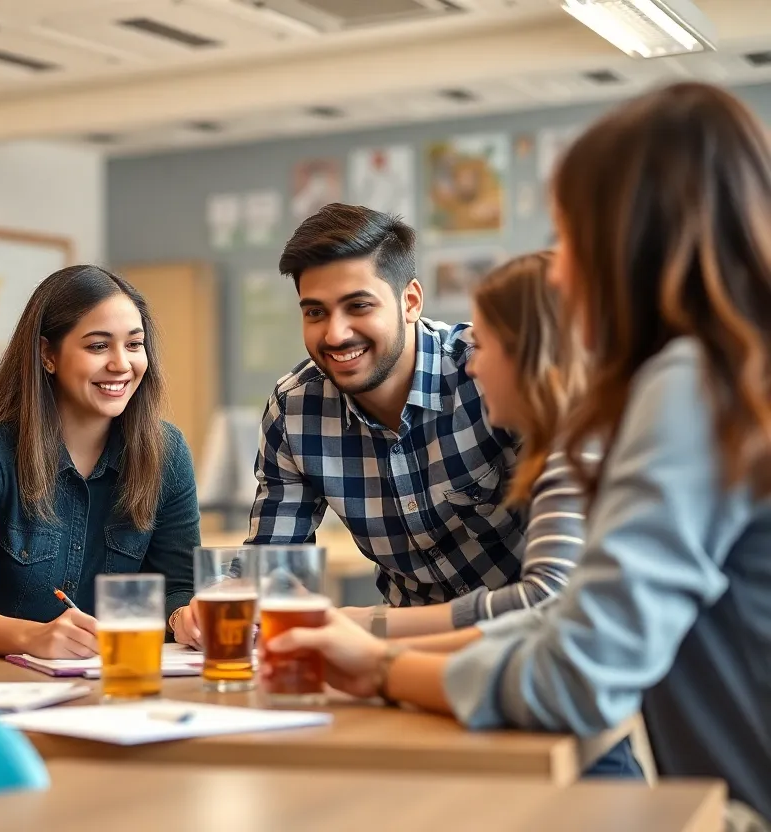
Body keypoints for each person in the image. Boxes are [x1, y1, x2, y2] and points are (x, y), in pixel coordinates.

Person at [266, 82, 771, 821]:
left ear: (631, 241)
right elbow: (575, 626)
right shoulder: (725, 376)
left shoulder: (693, 389)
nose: (559, 273)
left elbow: (576, 672)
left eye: (571, 240)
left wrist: (380, 665)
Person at [247, 203, 524, 635]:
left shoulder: (490, 374)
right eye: (315, 312)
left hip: (523, 650)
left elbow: (563, 587)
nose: (335, 335)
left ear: (410, 301)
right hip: (398, 655)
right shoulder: (295, 410)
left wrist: (363, 624)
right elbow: (272, 573)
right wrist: (226, 597)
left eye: (358, 306)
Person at [0, 265, 201, 658]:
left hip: (128, 681)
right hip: (12, 686)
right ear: (47, 354)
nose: (122, 363)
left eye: (134, 345)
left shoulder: (167, 453)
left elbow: (179, 587)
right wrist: (32, 638)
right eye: (98, 346)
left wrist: (185, 618)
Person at [355, 251, 589, 636]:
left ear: (528, 352)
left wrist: (373, 631)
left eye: (482, 344)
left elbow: (546, 599)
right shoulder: (563, 444)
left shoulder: (579, 449)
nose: (470, 365)